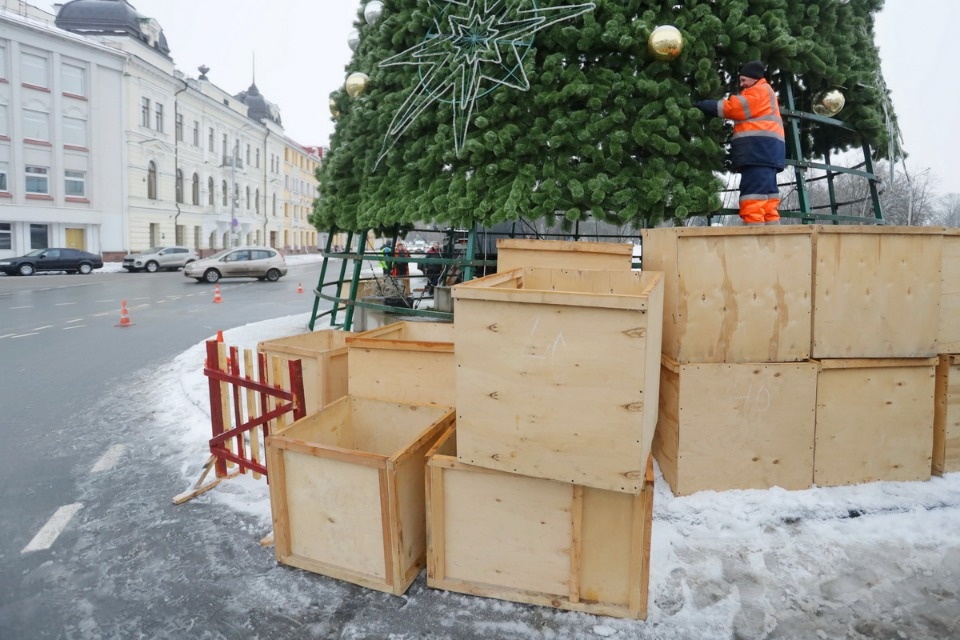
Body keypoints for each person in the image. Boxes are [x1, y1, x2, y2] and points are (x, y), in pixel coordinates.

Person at [695, 60, 786, 225]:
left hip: (758, 151)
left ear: (754, 78)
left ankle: (753, 228)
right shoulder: (767, 92)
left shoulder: (758, 91)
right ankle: (772, 228)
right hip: (769, 152)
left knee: (753, 192)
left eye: (744, 80)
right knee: (768, 194)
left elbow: (733, 108)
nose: (742, 84)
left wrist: (704, 105)